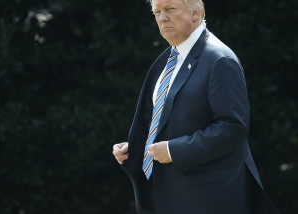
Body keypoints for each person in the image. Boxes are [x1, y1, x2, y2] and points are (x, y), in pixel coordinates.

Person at [112, 0, 279, 213]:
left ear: (196, 13)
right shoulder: (168, 59)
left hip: (207, 200)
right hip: (168, 194)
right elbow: (168, 120)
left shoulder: (220, 59)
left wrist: (174, 150)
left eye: (170, 9)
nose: (162, 18)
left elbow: (233, 126)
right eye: (157, 12)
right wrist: (137, 147)